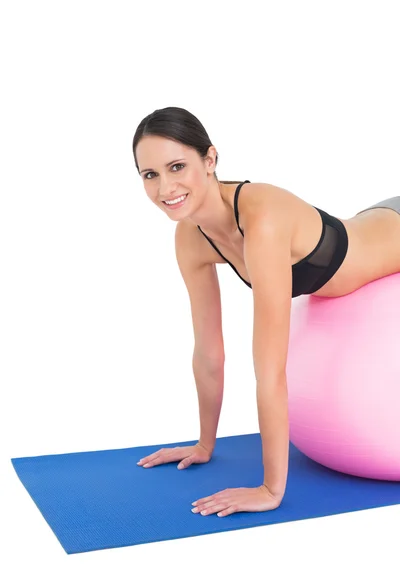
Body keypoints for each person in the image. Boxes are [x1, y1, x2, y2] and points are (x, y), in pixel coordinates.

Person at [132, 106, 400, 518]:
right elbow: (209, 353)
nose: (165, 186)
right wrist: (205, 445)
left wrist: (271, 489)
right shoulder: (190, 238)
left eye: (177, 166)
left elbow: (271, 369)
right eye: (150, 175)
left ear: (210, 159)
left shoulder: (263, 220)